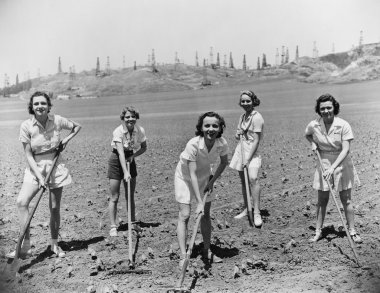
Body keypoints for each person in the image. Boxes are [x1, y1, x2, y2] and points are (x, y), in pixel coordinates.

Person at [7, 91, 81, 259]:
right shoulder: (26, 126)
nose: (40, 106)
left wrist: (66, 140)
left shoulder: (57, 120)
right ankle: (25, 246)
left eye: (43, 103)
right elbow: (28, 154)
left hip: (55, 165)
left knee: (54, 208)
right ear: (31, 107)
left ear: (48, 106)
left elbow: (77, 127)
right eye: (36, 104)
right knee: (21, 202)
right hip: (35, 167)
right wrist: (40, 177)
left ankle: (54, 244)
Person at [305, 93, 362, 243]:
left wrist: (333, 168)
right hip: (323, 162)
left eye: (329, 107)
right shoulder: (314, 125)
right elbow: (308, 134)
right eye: (322, 108)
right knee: (322, 199)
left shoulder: (343, 125)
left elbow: (345, 150)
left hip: (341, 162)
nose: (326, 111)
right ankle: (318, 231)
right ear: (318, 110)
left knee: (346, 199)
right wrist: (312, 142)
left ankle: (352, 231)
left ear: (334, 108)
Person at [175, 111, 229, 267]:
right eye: (207, 126)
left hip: (205, 176)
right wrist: (198, 201)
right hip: (185, 178)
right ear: (201, 128)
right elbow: (191, 174)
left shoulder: (222, 143)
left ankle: (207, 251)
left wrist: (212, 182)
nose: (211, 129)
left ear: (220, 128)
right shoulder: (193, 144)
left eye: (215, 126)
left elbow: (224, 163)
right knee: (185, 215)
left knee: (205, 215)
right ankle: (183, 255)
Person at [108, 106, 147, 237]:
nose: (130, 119)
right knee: (115, 196)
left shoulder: (140, 130)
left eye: (133, 116)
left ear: (136, 118)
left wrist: (133, 157)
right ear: (123, 119)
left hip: (130, 158)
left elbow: (144, 147)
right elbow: (120, 153)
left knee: (130, 195)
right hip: (116, 160)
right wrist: (125, 172)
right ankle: (113, 226)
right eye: (127, 117)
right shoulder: (118, 131)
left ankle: (132, 223)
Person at [229, 90, 264, 227]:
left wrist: (248, 159)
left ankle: (256, 212)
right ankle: (246, 208)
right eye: (243, 101)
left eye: (248, 101)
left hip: (252, 152)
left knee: (253, 178)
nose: (245, 103)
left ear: (253, 101)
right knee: (244, 181)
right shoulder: (243, 116)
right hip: (241, 150)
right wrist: (238, 134)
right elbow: (238, 136)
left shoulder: (257, 117)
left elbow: (256, 141)